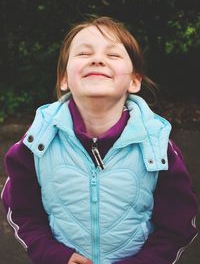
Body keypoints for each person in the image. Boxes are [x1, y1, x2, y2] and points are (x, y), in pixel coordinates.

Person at [1, 16, 198, 264]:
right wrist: (54, 255)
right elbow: (21, 211)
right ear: (64, 79)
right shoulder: (36, 143)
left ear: (134, 81)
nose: (97, 59)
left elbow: (177, 226)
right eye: (84, 53)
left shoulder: (158, 146)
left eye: (113, 55)